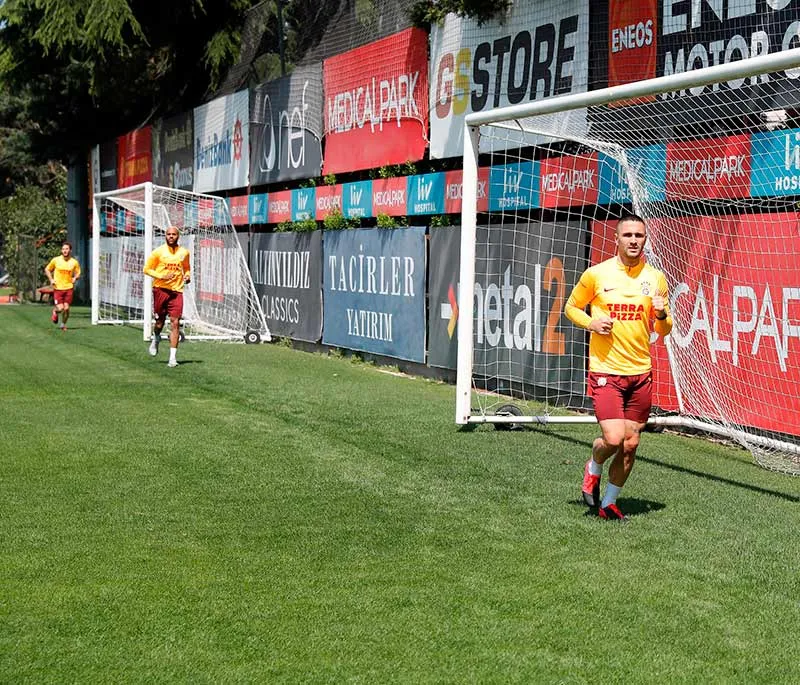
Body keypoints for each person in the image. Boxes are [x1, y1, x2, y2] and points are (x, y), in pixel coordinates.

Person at [564, 213, 672, 522]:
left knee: (631, 443)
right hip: (606, 370)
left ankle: (609, 502)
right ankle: (593, 467)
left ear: (645, 240)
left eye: (639, 235)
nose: (634, 241)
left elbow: (664, 331)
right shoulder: (596, 275)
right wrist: (591, 322)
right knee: (613, 439)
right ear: (617, 239)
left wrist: (662, 315)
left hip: (640, 371)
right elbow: (571, 307)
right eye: (628, 235)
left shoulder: (655, 278)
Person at [143, 226, 191, 367]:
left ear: (178, 236)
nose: (171, 236)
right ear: (165, 236)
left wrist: (187, 276)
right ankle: (156, 337)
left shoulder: (184, 252)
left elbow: (187, 268)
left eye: (174, 234)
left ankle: (172, 358)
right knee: (159, 322)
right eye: (169, 234)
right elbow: (146, 269)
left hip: (177, 291)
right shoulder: (158, 252)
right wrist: (161, 275)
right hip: (160, 290)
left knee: (175, 322)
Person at [45, 241, 81, 331]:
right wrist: (51, 279)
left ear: (70, 250)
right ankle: (55, 311)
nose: (65, 251)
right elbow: (47, 269)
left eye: (67, 249)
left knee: (67, 308)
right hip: (58, 288)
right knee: (60, 308)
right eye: (63, 249)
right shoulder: (56, 260)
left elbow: (79, 273)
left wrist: (75, 278)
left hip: (69, 288)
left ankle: (63, 324)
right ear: (61, 250)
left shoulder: (74, 262)